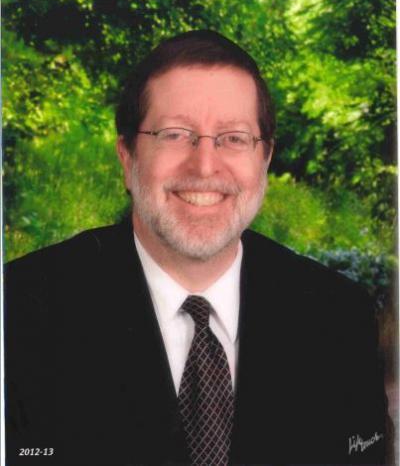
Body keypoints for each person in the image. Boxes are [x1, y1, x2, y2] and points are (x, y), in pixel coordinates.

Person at [5, 30, 392, 466]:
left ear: (265, 160)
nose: (205, 166)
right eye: (174, 134)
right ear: (127, 157)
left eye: (234, 138)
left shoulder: (338, 317)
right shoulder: (18, 313)